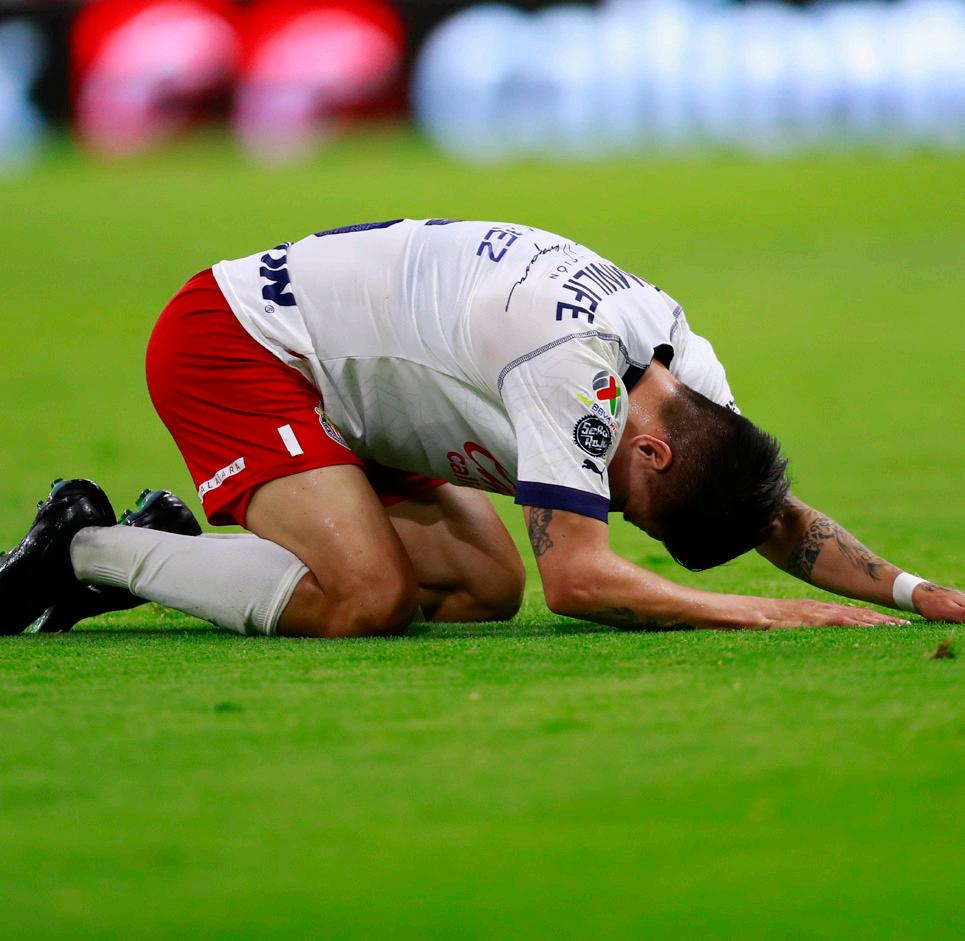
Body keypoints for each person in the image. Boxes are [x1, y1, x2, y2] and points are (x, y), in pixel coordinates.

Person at [2, 219, 962, 637]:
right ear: (650, 450)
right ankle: (83, 547)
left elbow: (765, 509)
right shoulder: (570, 366)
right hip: (240, 344)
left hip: (357, 391)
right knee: (368, 598)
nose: (613, 512)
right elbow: (577, 580)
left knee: (481, 588)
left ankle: (172, 548)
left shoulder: (682, 375)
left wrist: (912, 591)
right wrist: (766, 611)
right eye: (636, 507)